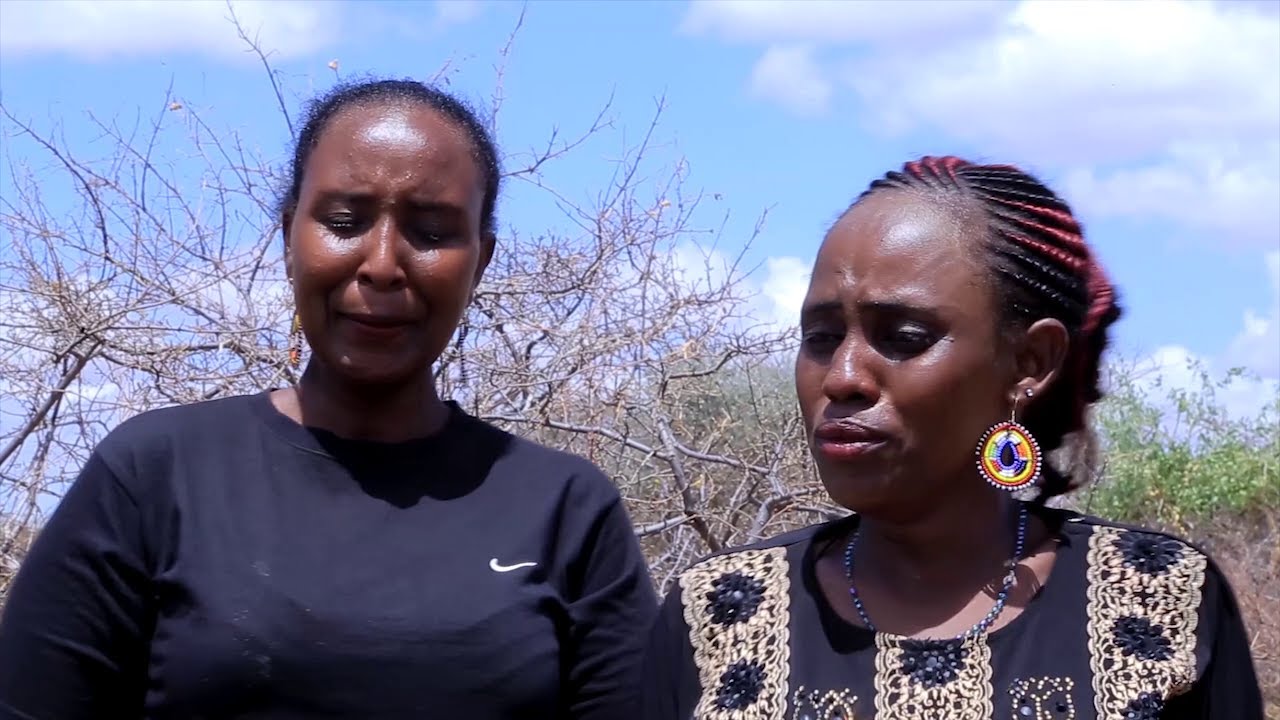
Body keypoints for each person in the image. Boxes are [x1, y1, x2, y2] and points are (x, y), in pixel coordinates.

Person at [0, 78, 657, 719]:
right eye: (344, 221)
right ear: (290, 235)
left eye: (430, 233)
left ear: (480, 261)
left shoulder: (567, 509)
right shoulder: (154, 475)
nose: (381, 264)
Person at [638, 156, 1263, 720]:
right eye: (823, 337)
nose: (844, 377)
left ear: (1029, 363)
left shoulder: (1163, 594)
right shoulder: (718, 611)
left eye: (904, 336)